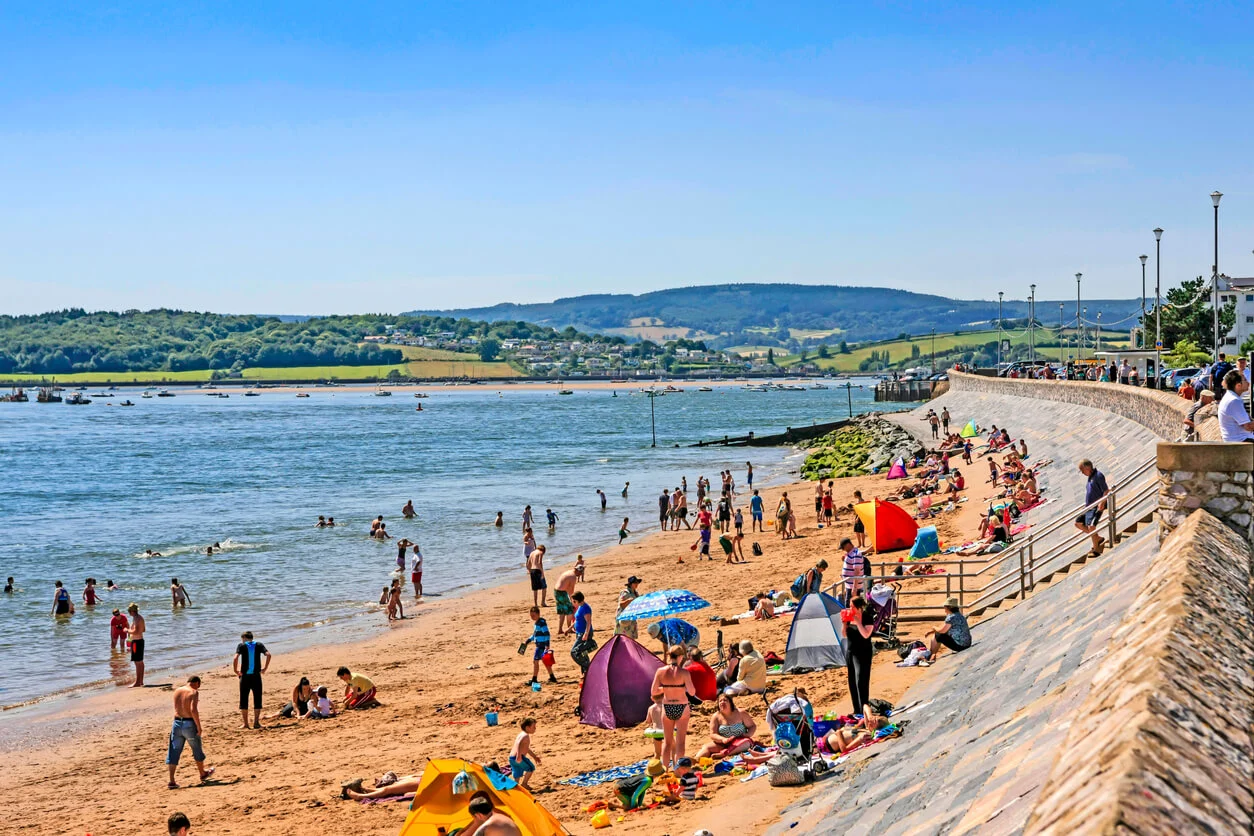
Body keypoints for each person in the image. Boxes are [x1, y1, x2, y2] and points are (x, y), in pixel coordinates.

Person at [650, 646, 696, 768]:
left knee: (667, 741)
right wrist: (680, 687)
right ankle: (678, 769)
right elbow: (692, 692)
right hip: (682, 706)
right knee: (680, 742)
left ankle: (664, 769)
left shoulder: (660, 671)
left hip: (668, 706)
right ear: (680, 657)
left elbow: (654, 692)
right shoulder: (684, 673)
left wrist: (666, 688)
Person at [166, 676, 215, 789]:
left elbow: (177, 707)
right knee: (196, 748)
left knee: (173, 751)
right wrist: (199, 726)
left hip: (177, 723)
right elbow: (193, 710)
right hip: (189, 723)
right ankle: (202, 773)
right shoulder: (194, 692)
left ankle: (171, 780)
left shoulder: (177, 690)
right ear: (197, 683)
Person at [696, 693, 757, 759]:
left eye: (725, 700)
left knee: (746, 743)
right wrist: (723, 739)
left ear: (730, 703)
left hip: (740, 741)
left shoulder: (741, 713)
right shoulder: (716, 716)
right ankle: (694, 761)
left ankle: (724, 754)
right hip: (723, 744)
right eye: (720, 701)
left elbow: (752, 726)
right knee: (706, 747)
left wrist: (747, 735)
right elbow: (713, 734)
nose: (722, 702)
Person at [843, 597, 875, 715]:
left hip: (863, 652)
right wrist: (844, 624)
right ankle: (857, 709)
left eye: (852, 606)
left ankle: (864, 708)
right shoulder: (849, 617)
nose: (850, 608)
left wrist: (857, 622)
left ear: (859, 607)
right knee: (852, 681)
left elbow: (866, 635)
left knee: (861, 680)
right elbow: (844, 634)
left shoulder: (867, 617)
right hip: (851, 651)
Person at [233, 631, 271, 729]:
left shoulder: (241, 646)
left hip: (245, 676)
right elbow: (268, 655)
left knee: (244, 699)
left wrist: (236, 671)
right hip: (256, 676)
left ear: (244, 638)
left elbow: (235, 658)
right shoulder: (259, 645)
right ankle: (256, 723)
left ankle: (246, 724)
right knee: (257, 699)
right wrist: (265, 668)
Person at [1074, 459, 1110, 557]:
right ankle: (1097, 538)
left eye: (1082, 470)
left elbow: (1106, 490)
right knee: (1078, 523)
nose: (1082, 473)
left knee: (1091, 526)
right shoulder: (1090, 477)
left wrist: (1102, 503)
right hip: (1088, 507)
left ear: (1087, 467)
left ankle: (1096, 549)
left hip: (1096, 507)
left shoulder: (1098, 475)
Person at [519, 606, 558, 685]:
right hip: (540, 645)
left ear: (538, 614)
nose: (532, 617)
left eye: (533, 615)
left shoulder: (541, 623)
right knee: (545, 662)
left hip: (541, 646)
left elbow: (547, 634)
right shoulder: (537, 623)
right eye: (531, 616)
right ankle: (552, 677)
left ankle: (534, 679)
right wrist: (528, 640)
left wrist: (547, 645)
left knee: (535, 661)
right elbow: (535, 634)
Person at [1218, 369, 1254, 442]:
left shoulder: (1230, 397)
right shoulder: (1234, 401)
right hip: (1241, 441)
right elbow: (1248, 426)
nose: (1248, 383)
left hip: (1237, 440)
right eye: (1245, 380)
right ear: (1238, 385)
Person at [509, 717, 542, 789]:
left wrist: (534, 757)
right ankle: (524, 784)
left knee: (517, 772)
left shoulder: (521, 734)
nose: (535, 729)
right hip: (518, 757)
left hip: (512, 758)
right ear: (527, 727)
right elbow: (518, 743)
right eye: (534, 727)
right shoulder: (525, 735)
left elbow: (526, 748)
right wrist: (518, 756)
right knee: (530, 768)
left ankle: (515, 786)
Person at [570, 592, 596, 675]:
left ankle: (589, 667)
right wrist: (569, 629)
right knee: (582, 653)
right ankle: (586, 673)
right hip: (579, 633)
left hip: (583, 634)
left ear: (578, 601)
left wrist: (586, 634)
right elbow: (577, 620)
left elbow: (588, 622)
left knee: (574, 652)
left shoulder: (585, 608)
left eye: (574, 601)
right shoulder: (580, 607)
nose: (573, 603)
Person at [552, 566, 578, 635]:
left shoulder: (568, 572)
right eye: (581, 572)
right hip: (562, 592)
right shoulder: (573, 577)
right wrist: (573, 602)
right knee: (570, 610)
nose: (580, 574)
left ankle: (560, 629)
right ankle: (569, 628)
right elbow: (571, 591)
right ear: (578, 571)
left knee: (562, 611)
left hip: (556, 591)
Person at [127, 603, 146, 687]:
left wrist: (126, 630)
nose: (129, 613)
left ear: (132, 611)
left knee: (137, 662)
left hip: (137, 642)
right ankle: (140, 681)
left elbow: (136, 631)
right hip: (139, 640)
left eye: (129, 611)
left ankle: (137, 682)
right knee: (140, 662)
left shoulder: (137, 619)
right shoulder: (139, 617)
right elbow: (143, 629)